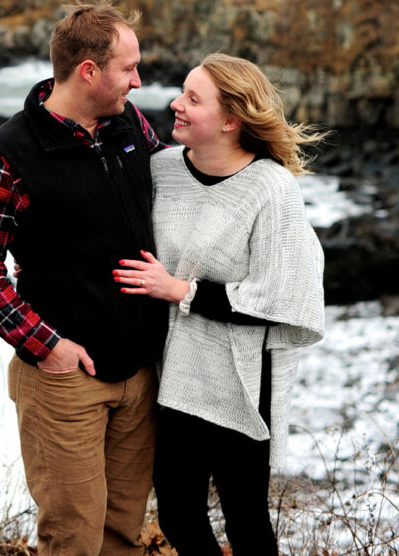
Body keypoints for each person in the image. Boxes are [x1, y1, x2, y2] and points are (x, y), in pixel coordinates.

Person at [0, 0, 169, 556]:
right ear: (89, 71)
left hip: (140, 370)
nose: (139, 81)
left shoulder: (130, 125)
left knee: (121, 532)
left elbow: (178, 192)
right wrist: (49, 348)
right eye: (129, 69)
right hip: (64, 379)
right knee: (72, 539)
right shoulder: (5, 155)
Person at [113, 53, 325, 556]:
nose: (174, 104)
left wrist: (181, 291)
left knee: (246, 522)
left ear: (230, 121)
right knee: (179, 516)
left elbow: (284, 293)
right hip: (176, 374)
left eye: (192, 98)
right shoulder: (161, 169)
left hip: (243, 378)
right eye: (182, 91)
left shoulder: (271, 188)